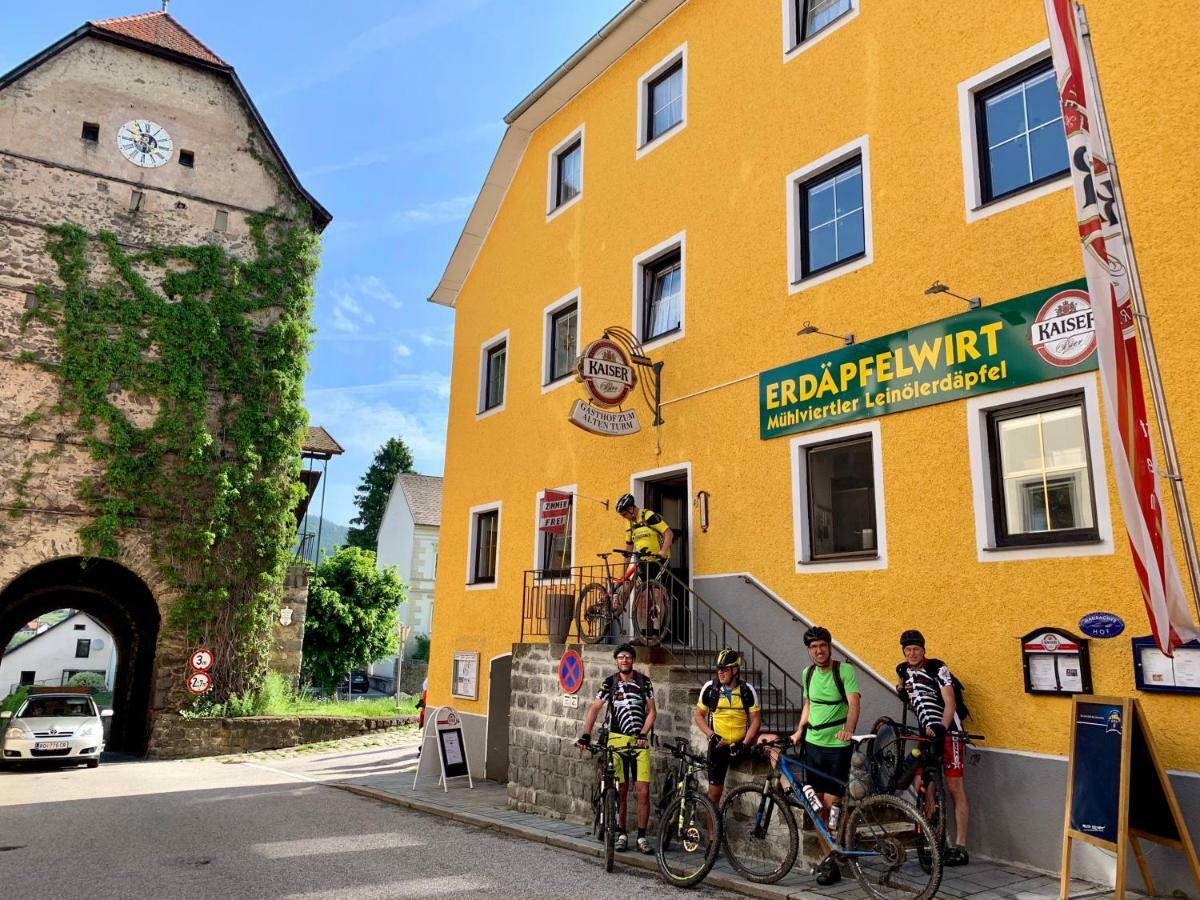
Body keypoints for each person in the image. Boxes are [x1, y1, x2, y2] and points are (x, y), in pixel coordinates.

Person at [761, 625, 860, 886]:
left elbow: (854, 703)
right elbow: (808, 704)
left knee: (832, 805)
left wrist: (849, 730)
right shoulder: (808, 674)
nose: (819, 651)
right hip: (813, 745)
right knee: (816, 807)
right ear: (809, 651)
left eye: (822, 646)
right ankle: (830, 860)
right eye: (814, 647)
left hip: (837, 747)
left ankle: (841, 846)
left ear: (830, 647)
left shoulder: (844, 671)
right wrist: (798, 730)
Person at [896, 629, 970, 867]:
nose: (912, 653)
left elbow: (950, 702)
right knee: (921, 784)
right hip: (923, 733)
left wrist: (942, 727)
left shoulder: (938, 668)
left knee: (954, 786)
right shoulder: (903, 670)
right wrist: (900, 691)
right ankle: (929, 838)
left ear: (923, 649)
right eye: (907, 650)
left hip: (949, 733)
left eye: (916, 649)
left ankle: (960, 846)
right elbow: (904, 689)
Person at [576, 643, 657, 854]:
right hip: (616, 742)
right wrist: (586, 734)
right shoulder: (609, 683)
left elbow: (652, 712)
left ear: (633, 660)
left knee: (643, 792)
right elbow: (595, 708)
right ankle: (621, 833)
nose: (624, 660)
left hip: (639, 743)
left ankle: (641, 836)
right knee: (621, 791)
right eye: (621, 657)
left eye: (628, 657)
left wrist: (643, 733)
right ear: (616, 661)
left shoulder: (643, 682)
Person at [694, 648, 761, 806]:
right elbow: (698, 716)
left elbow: (756, 720)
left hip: (740, 744)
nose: (720, 673)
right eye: (719, 669)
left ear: (735, 670)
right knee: (713, 796)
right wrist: (711, 735)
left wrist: (745, 743)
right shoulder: (711, 689)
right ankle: (714, 832)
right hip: (718, 745)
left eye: (725, 669)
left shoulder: (746, 690)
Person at [611, 493, 673, 641]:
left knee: (657, 597)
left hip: (658, 562)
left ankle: (657, 634)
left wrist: (663, 550)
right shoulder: (629, 524)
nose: (624, 517)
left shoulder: (649, 516)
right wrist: (622, 574)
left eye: (625, 513)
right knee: (642, 599)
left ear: (632, 508)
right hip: (642, 564)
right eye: (622, 515)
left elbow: (669, 533)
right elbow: (628, 548)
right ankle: (643, 634)